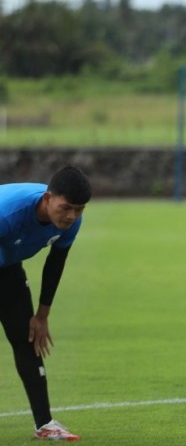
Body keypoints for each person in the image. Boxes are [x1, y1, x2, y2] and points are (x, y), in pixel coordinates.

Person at [0, 166, 92, 441]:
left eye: (79, 209)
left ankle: (45, 424)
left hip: (7, 266)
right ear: (48, 198)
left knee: (28, 340)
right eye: (66, 207)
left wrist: (42, 315)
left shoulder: (71, 222)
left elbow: (56, 262)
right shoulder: (8, 212)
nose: (71, 216)